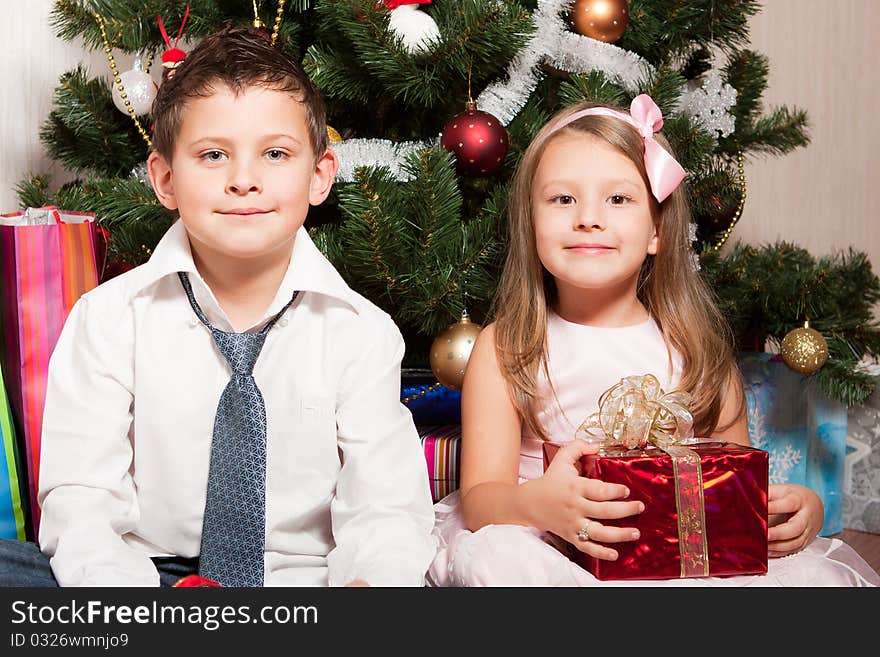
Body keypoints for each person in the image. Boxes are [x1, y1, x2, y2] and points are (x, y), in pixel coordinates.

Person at [0, 26, 436, 587]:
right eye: (212, 155)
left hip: (301, 583)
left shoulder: (360, 332)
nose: (244, 180)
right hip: (150, 578)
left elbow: (386, 511)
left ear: (319, 176)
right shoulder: (109, 319)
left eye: (275, 153)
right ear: (164, 179)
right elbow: (82, 504)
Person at [426, 94, 879, 587]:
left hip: (674, 557)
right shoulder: (509, 346)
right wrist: (538, 504)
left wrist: (798, 510)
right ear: (530, 223)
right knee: (497, 561)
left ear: (657, 231)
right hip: (547, 547)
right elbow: (481, 500)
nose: (588, 218)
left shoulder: (694, 349)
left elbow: (735, 489)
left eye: (618, 199)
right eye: (563, 199)